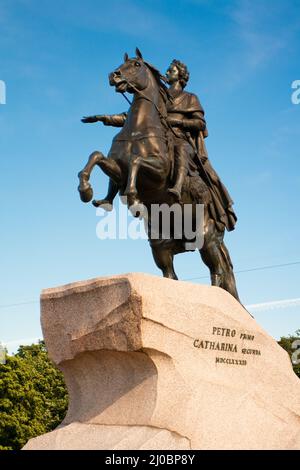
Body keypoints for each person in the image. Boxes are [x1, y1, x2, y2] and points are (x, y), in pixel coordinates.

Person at [165, 59, 237, 232]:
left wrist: (178, 121)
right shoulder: (160, 97)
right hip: (161, 138)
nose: (167, 72)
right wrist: (105, 119)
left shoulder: (190, 98)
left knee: (181, 149)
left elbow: (200, 123)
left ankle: (177, 186)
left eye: (171, 70)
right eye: (168, 70)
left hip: (181, 140)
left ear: (180, 76)